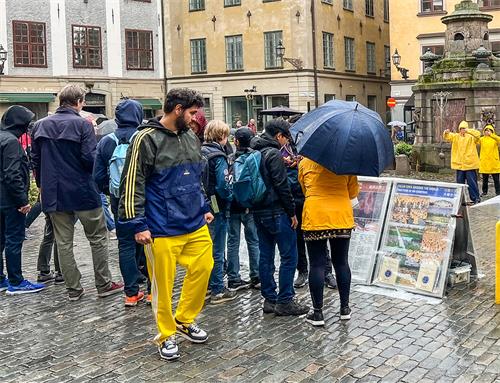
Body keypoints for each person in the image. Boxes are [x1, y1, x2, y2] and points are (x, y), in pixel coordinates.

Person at [119, 88, 214, 361]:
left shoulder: (189, 137)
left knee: (204, 266)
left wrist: (205, 206)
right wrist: (138, 224)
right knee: (162, 284)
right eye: (193, 112)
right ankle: (165, 334)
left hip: (194, 221)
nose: (197, 118)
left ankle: (184, 319)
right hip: (161, 226)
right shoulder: (145, 139)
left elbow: (196, 176)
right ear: (178, 110)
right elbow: (132, 183)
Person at [31, 84, 123, 301]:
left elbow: (35, 159)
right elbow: (89, 158)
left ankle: (73, 288)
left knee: (63, 242)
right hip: (82, 190)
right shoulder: (82, 125)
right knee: (98, 237)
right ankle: (103, 283)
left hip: (54, 191)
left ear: (61, 101)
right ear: (79, 102)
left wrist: (41, 185)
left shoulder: (40, 125)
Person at [94, 99, 149, 306]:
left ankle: (131, 294)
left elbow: (98, 176)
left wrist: (112, 192)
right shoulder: (144, 137)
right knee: (149, 243)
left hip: (119, 199)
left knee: (125, 244)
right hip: (145, 198)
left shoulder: (107, 141)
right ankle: (152, 290)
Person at [250, 119, 309, 316]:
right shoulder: (274, 153)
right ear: (279, 136)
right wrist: (292, 212)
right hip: (277, 210)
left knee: (265, 255)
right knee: (288, 256)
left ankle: (269, 299)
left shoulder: (254, 150)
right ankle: (285, 300)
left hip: (258, 210)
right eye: (286, 137)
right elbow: (282, 186)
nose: (287, 142)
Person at [299, 158, 359, 326]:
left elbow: (304, 188)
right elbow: (353, 192)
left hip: (315, 215)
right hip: (341, 215)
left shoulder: (305, 162)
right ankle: (345, 308)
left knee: (317, 264)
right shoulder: (347, 162)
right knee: (341, 263)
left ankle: (318, 313)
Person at [0, 105, 45, 294]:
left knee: (1, 239)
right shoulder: (11, 142)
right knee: (14, 239)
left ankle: (2, 279)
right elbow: (12, 174)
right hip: (10, 200)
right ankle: (16, 281)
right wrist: (22, 201)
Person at [281, 142, 337, 290]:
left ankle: (327, 272)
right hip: (294, 199)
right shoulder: (282, 150)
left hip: (312, 200)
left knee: (321, 237)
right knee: (298, 238)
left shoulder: (311, 147)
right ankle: (302, 271)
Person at [201, 120, 237, 304]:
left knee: (207, 246)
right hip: (217, 204)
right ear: (221, 136)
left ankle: (207, 285)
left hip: (203, 203)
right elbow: (224, 184)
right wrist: (230, 197)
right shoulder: (219, 156)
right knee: (217, 247)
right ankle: (217, 288)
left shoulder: (200, 151)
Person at [226, 127, 260, 290]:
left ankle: (233, 277)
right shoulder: (254, 157)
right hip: (250, 204)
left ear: (236, 141)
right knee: (253, 240)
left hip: (232, 205)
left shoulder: (229, 159)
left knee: (232, 241)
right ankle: (257, 275)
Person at [444, 121, 481, 204]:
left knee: (472, 183)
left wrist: (468, 130)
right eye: (461, 128)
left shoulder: (471, 137)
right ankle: (460, 199)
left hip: (470, 165)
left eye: (464, 128)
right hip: (459, 165)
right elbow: (448, 136)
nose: (462, 130)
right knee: (459, 184)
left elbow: (478, 134)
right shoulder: (456, 137)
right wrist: (446, 132)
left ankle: (475, 198)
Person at [36, 213, 64, 284]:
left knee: (48, 236)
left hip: (48, 205)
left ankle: (44, 271)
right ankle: (61, 273)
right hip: (61, 207)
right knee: (61, 235)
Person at [478, 124, 500, 196]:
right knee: (485, 180)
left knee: (496, 179)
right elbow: (475, 141)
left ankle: (498, 192)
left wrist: (492, 135)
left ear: (492, 131)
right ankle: (484, 192)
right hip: (485, 163)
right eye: (486, 130)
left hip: (494, 162)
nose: (487, 132)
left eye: (489, 130)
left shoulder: (495, 139)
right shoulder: (482, 139)